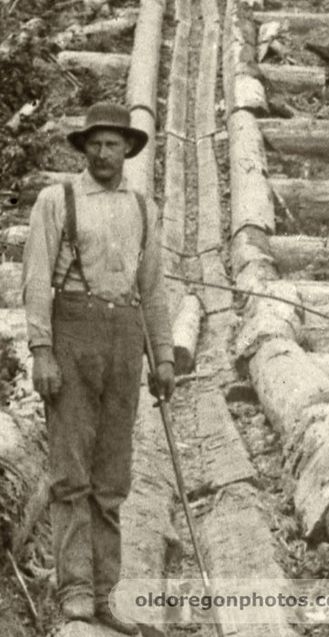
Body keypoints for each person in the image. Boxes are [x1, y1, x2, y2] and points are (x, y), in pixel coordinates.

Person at [22, 102, 175, 634]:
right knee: (71, 470)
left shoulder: (142, 206)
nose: (105, 153)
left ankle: (109, 591)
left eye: (115, 144)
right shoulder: (56, 199)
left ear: (129, 150)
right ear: (84, 147)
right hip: (73, 333)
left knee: (112, 472)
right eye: (97, 143)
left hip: (125, 337)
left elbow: (153, 288)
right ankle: (76, 589)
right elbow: (37, 279)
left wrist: (165, 355)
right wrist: (41, 348)